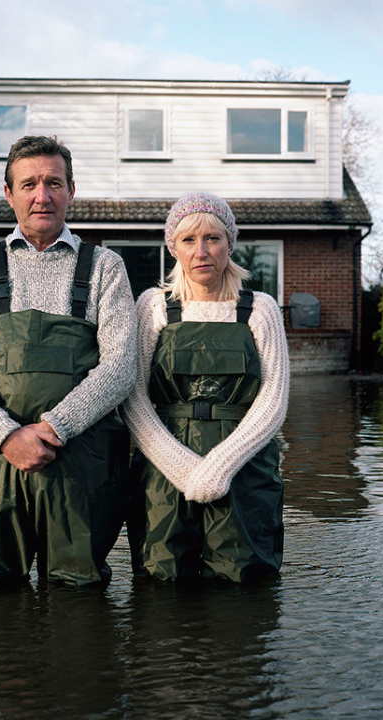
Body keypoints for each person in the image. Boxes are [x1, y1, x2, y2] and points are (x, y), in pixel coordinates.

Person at [0, 135, 137, 588]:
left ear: (72, 190)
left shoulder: (106, 266)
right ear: (9, 194)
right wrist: (7, 436)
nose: (42, 195)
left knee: (78, 596)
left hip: (80, 462)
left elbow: (121, 367)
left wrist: (53, 429)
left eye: (53, 182)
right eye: (28, 184)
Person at [122, 191, 289, 582]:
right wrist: (182, 468)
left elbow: (274, 399)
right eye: (189, 240)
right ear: (174, 248)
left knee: (244, 586)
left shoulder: (260, 309)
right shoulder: (154, 306)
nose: (202, 251)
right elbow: (132, 396)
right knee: (161, 585)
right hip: (162, 473)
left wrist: (220, 466)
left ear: (229, 244)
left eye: (213, 238)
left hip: (245, 471)